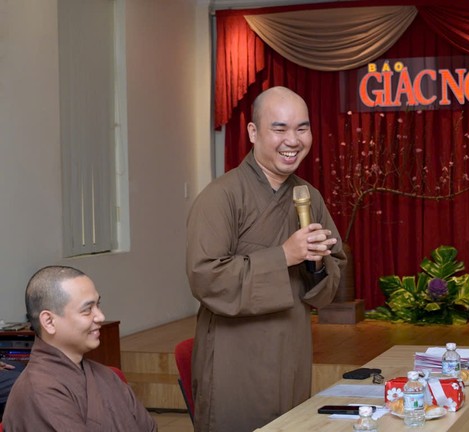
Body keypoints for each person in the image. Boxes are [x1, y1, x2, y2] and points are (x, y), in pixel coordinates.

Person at [186, 86, 346, 431]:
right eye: (280, 128)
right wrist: (284, 255)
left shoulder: (308, 196)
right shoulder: (221, 196)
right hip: (236, 356)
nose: (293, 140)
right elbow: (205, 277)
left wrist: (317, 262)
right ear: (253, 132)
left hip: (292, 348)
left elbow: (333, 275)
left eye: (302, 129)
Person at [3, 266, 157, 431]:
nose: (100, 317)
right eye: (87, 310)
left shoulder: (106, 375)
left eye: (98, 305)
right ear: (49, 322)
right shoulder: (39, 390)